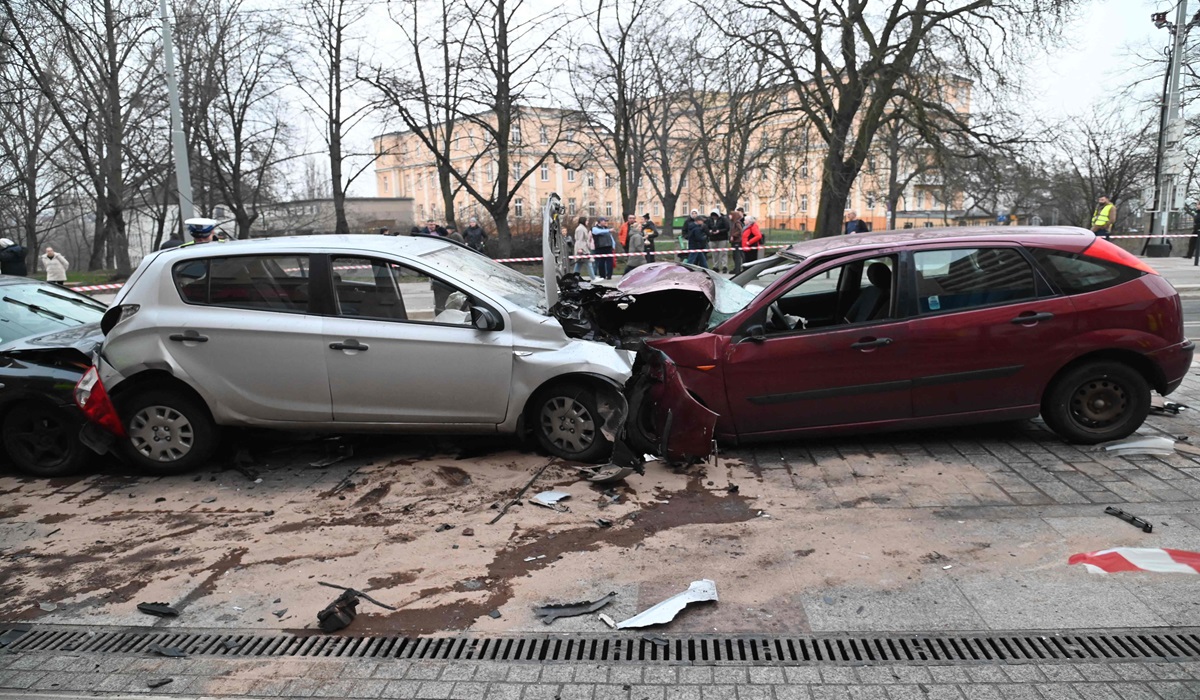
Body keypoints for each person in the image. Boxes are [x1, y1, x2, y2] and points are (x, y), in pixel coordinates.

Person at [729, 208, 746, 274]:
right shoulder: (734, 222)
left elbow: (740, 230)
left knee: (737, 256)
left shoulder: (737, 222)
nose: (729, 216)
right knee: (735, 256)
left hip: (737, 241)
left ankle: (737, 269)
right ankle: (737, 268)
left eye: (731, 215)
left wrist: (733, 235)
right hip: (735, 241)